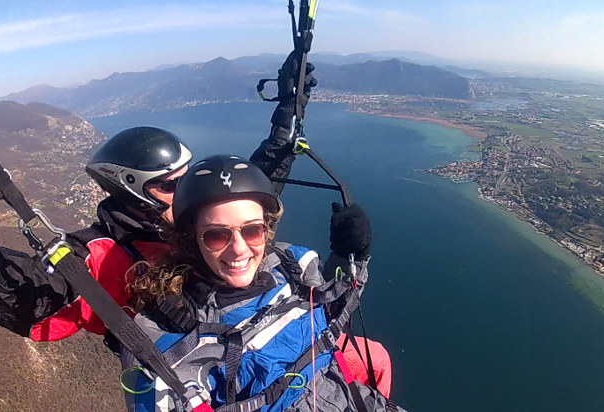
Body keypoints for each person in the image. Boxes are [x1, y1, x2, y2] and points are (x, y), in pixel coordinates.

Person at [0, 52, 391, 395]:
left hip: (261, 339)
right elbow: (23, 302)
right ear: (133, 191)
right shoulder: (105, 256)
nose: (189, 191)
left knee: (376, 361)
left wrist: (287, 114)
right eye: (172, 185)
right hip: (210, 374)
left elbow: (241, 196)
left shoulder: (185, 220)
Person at [120, 154, 402, 412]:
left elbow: (330, 311)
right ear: (191, 239)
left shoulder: (292, 265)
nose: (239, 249)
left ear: (266, 229)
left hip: (352, 397)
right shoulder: (167, 337)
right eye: (217, 236)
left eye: (253, 230)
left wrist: (350, 258)